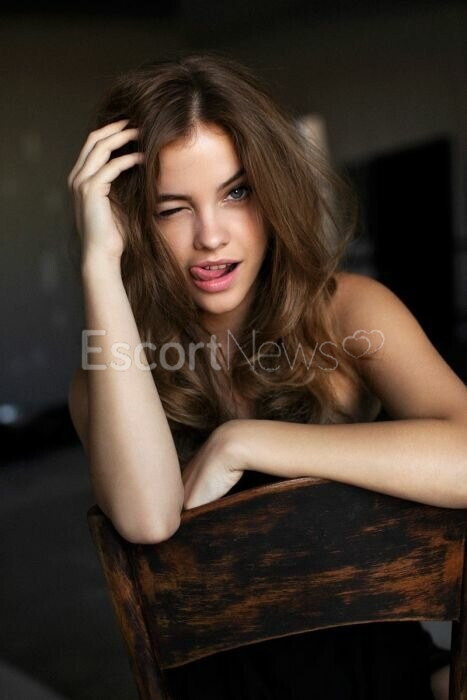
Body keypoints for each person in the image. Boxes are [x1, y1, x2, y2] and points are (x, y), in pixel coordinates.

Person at [67, 52, 464, 699]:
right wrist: (98, 263)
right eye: (171, 208)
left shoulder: (346, 311)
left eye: (236, 192)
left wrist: (245, 441)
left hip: (381, 681)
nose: (210, 236)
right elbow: (145, 520)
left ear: (271, 190)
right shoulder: (106, 377)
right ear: (132, 219)